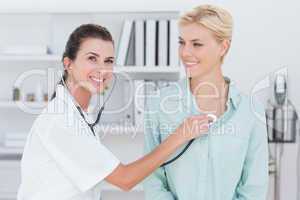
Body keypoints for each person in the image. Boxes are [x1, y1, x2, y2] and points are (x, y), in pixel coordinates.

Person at [17, 24, 212, 200]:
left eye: (108, 61)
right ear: (68, 64)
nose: (102, 69)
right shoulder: (61, 120)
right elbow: (125, 179)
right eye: (92, 58)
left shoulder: (80, 114)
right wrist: (180, 135)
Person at [144, 4, 269, 200]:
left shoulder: (251, 112)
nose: (185, 52)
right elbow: (152, 179)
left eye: (196, 44)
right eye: (181, 42)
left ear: (223, 47)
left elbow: (254, 189)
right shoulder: (159, 105)